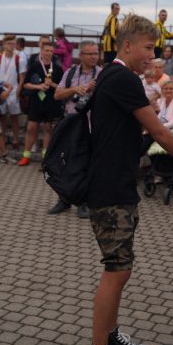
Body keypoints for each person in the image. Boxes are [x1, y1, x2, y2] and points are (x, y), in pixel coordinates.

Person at [83, 13, 173, 345]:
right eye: (148, 48)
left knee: (120, 269)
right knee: (116, 270)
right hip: (110, 188)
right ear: (127, 45)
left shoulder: (113, 76)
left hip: (116, 184)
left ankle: (110, 337)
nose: (153, 57)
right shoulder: (123, 78)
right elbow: (160, 132)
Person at [48, 40, 101, 218]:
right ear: (81, 55)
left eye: (96, 53)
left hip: (92, 125)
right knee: (66, 162)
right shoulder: (70, 72)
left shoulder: (101, 74)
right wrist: (75, 89)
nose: (94, 57)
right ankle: (64, 199)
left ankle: (83, 202)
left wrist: (95, 90)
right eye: (90, 54)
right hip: (71, 125)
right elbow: (57, 94)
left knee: (86, 164)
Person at [18, 40, 63, 166]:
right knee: (31, 128)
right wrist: (38, 86)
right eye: (46, 50)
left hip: (51, 102)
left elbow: (62, 87)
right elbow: (26, 84)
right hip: (36, 101)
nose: (49, 53)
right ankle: (26, 155)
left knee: (48, 128)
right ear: (41, 51)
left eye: (51, 51)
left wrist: (51, 84)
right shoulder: (34, 66)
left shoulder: (57, 69)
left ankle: (45, 158)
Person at [0, 35, 27, 150]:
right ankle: (2, 140)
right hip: (1, 91)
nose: (11, 46)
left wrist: (17, 92)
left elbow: (22, 78)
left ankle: (15, 140)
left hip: (13, 92)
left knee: (14, 117)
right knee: (2, 117)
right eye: (9, 43)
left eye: (13, 43)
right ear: (4, 45)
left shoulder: (19, 59)